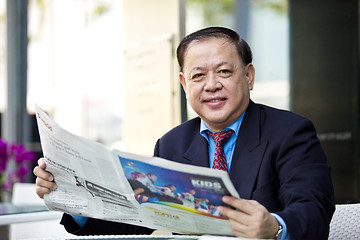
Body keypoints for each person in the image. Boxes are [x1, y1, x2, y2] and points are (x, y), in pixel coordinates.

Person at [33, 27, 335, 239]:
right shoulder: (173, 143)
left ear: (249, 75)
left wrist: (275, 227)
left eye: (224, 72)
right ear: (183, 84)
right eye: (198, 75)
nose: (211, 84)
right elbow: (141, 218)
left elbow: (315, 210)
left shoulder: (290, 131)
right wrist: (74, 199)